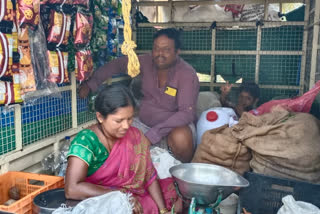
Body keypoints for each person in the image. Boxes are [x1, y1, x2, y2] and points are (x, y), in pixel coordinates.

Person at [79, 28, 200, 163]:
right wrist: (91, 84)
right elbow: (117, 65)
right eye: (156, 48)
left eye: (166, 49)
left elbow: (186, 113)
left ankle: (181, 173)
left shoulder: (187, 74)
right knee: (108, 130)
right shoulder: (146, 61)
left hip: (172, 130)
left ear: (177, 52)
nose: (160, 53)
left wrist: (153, 134)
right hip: (144, 125)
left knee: (181, 138)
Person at [65, 85, 182, 214]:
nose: (126, 126)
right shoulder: (86, 142)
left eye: (130, 118)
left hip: (134, 197)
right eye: (118, 121)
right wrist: (120, 196)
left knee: (179, 194)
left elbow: (149, 176)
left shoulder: (136, 136)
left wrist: (162, 209)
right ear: (100, 117)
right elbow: (72, 189)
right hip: (100, 201)